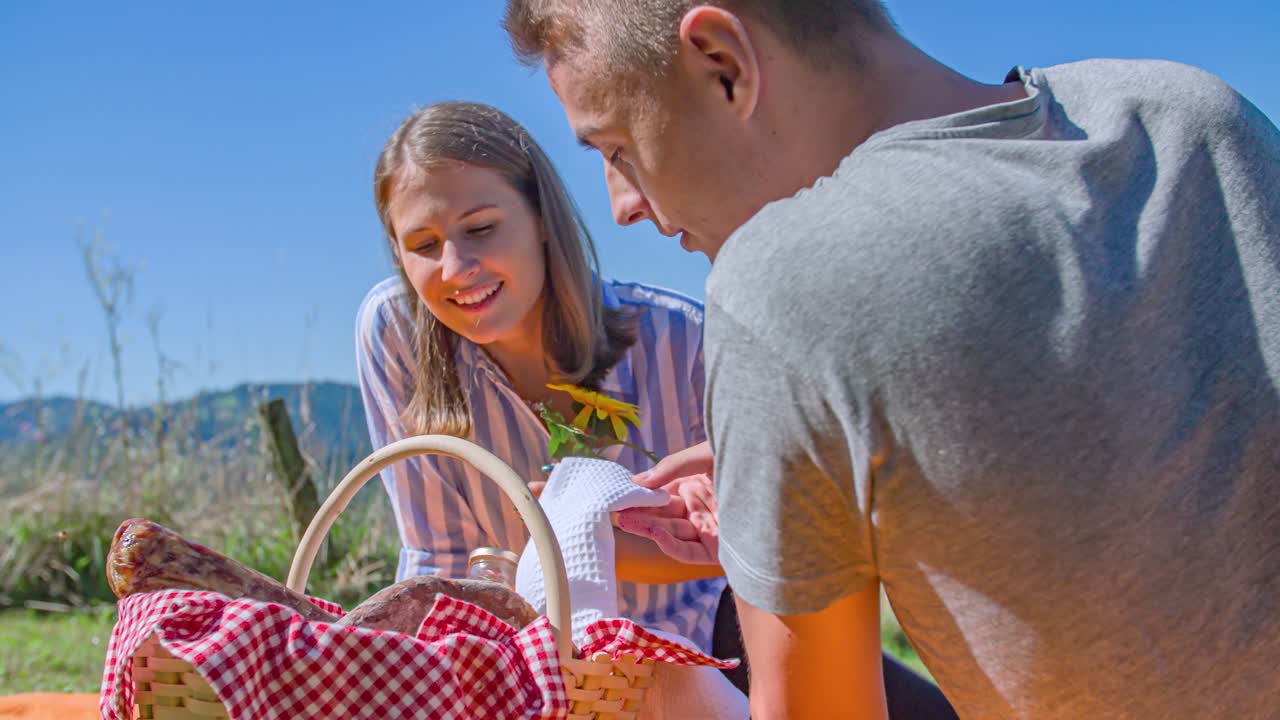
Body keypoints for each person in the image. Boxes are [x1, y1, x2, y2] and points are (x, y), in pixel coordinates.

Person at [503, 1, 1280, 718]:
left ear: (723, 64)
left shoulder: (778, 285)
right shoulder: (1193, 114)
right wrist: (819, 475)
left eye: (618, 148)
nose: (622, 204)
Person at [355, 101, 957, 716]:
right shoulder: (396, 332)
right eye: (423, 244)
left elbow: (726, 549)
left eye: (481, 228)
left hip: (704, 638)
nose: (455, 267)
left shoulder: (681, 338)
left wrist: (576, 531)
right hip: (519, 656)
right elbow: (441, 556)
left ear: (540, 217)